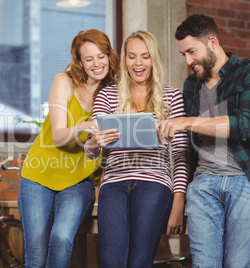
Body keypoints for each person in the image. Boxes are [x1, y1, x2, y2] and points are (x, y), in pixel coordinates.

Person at [158, 14, 250, 268]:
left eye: (191, 52)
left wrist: (188, 121)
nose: (188, 61)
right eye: (183, 54)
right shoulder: (191, 85)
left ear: (212, 42)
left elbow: (245, 124)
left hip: (248, 182)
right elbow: (187, 148)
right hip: (204, 184)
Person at [85, 30, 189, 268]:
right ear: (124, 60)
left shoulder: (171, 97)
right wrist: (94, 142)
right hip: (114, 182)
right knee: (112, 262)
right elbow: (92, 152)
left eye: (145, 56)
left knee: (139, 262)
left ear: (154, 59)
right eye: (132, 57)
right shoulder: (107, 95)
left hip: (155, 182)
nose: (138, 63)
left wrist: (178, 201)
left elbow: (181, 154)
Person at [17, 29, 119, 268]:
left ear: (109, 56)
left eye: (101, 55)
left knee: (62, 238)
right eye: (89, 58)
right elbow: (59, 136)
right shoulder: (64, 81)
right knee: (36, 257)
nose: (97, 63)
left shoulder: (113, 93)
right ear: (80, 62)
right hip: (39, 175)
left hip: (79, 181)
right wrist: (81, 126)